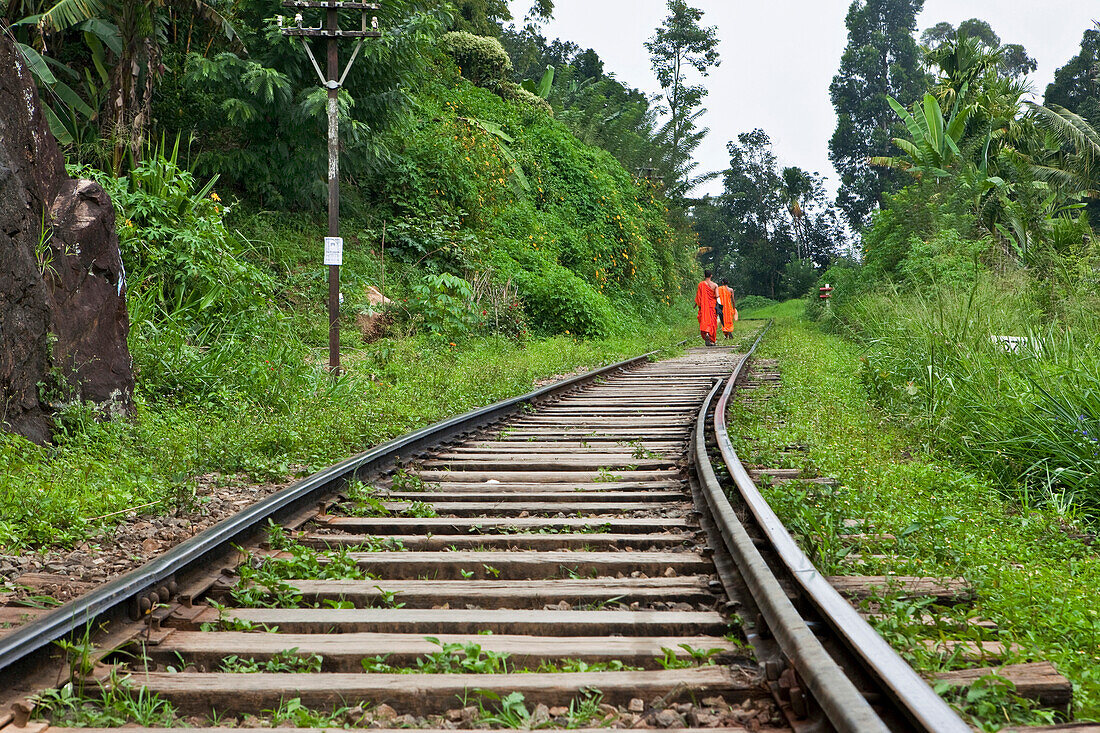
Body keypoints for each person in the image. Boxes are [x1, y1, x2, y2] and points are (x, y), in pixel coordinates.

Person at [694, 271, 718, 346]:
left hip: (704, 307)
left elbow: (699, 297)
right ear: (711, 275)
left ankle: (707, 333)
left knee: (705, 320)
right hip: (712, 306)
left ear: (704, 275)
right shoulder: (715, 285)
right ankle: (711, 339)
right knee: (712, 321)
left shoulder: (701, 284)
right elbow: (717, 296)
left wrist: (696, 305)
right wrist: (719, 307)